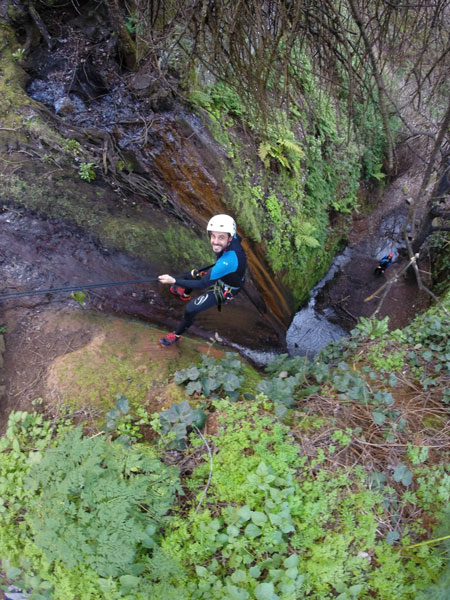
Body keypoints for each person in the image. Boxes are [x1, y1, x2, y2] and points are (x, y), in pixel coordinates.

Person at [158, 214, 247, 347]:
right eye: (213, 236)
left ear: (229, 238)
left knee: (191, 309)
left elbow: (202, 284)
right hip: (226, 272)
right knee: (191, 274)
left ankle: (176, 335)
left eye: (221, 237)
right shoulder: (233, 238)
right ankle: (184, 294)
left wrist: (173, 280)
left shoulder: (228, 260)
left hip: (226, 288)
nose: (215, 241)